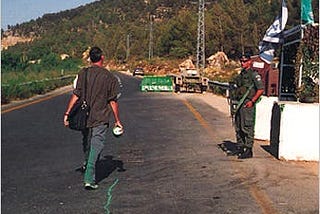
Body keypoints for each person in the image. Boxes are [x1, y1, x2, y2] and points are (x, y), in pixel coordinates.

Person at [64, 46, 123, 190]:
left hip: (84, 115)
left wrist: (67, 113)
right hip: (100, 116)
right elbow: (112, 101)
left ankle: (86, 162)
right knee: (97, 143)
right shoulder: (109, 77)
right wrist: (117, 120)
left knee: (87, 140)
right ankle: (89, 177)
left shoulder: (82, 73)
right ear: (102, 57)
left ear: (90, 58)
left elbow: (76, 94)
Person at [233, 53, 264, 159]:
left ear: (250, 62)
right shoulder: (242, 74)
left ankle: (248, 149)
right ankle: (240, 146)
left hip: (247, 103)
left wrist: (252, 101)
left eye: (245, 61)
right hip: (239, 103)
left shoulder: (253, 75)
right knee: (238, 126)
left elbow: (260, 89)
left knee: (247, 126)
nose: (242, 63)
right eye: (241, 61)